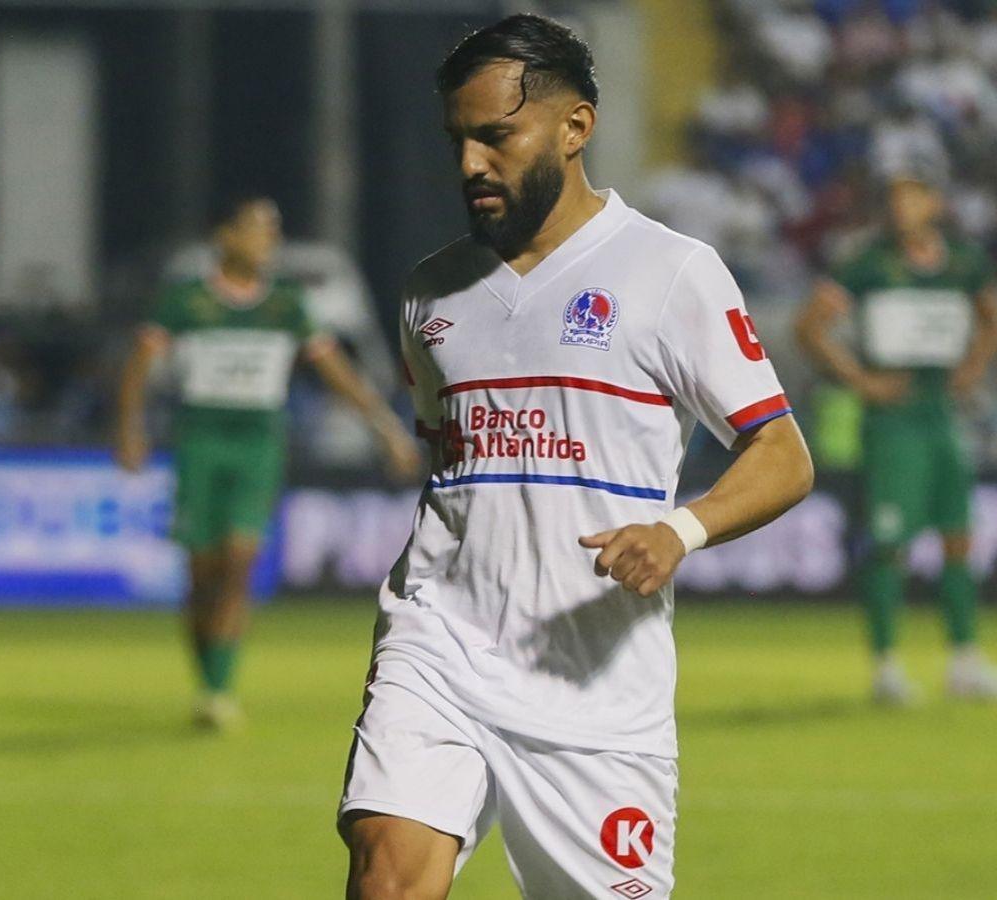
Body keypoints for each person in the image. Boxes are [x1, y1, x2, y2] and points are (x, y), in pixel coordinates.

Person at [337, 15, 814, 899]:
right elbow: (453, 471)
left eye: (496, 136)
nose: (471, 163)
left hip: (593, 684)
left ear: (574, 127)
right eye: (459, 140)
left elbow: (782, 454)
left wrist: (680, 530)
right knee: (388, 879)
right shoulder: (429, 293)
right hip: (439, 645)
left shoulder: (671, 273)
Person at [116, 196, 420, 729]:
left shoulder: (285, 304)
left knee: (237, 561)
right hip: (201, 439)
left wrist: (387, 428)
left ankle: (217, 691)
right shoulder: (187, 300)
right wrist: (130, 429)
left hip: (258, 441)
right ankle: (207, 672)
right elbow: (139, 365)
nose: (267, 243)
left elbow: (336, 371)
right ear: (226, 238)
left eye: (272, 232)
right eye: (256, 231)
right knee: (201, 573)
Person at [795, 169, 997, 705]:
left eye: (910, 197)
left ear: (933, 202)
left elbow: (991, 317)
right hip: (892, 420)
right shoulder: (868, 264)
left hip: (942, 412)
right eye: (893, 200)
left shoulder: (961, 260)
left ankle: (965, 661)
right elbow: (808, 327)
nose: (900, 209)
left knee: (958, 534)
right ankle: (886, 667)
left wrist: (975, 365)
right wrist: (861, 380)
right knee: (890, 542)